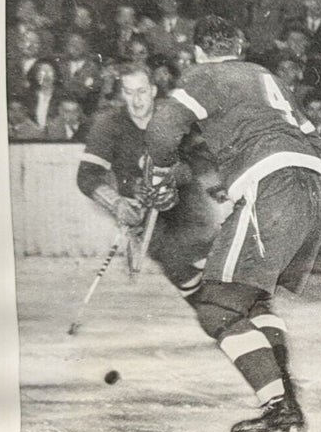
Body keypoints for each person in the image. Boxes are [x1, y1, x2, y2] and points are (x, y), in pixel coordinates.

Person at [144, 15, 321, 432]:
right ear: (240, 46)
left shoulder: (203, 74)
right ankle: (283, 394)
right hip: (313, 188)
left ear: (197, 51)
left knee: (217, 307)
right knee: (251, 298)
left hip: (273, 187)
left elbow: (160, 131)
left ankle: (280, 408)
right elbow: (315, 140)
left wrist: (158, 179)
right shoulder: (266, 76)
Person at [77, 65, 220, 314]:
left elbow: (204, 156)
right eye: (129, 92)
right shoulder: (108, 124)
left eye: (142, 91)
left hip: (182, 194)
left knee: (203, 242)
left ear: (153, 90)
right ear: (122, 94)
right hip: (138, 202)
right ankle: (212, 310)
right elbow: (87, 175)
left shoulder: (174, 116)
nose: (136, 100)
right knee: (171, 259)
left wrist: (183, 170)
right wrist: (116, 204)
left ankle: (225, 295)